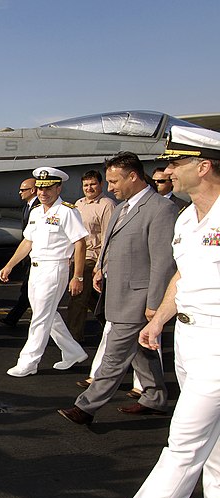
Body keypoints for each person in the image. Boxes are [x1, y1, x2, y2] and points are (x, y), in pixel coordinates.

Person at [99, 126, 220, 498]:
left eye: (175, 163)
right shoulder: (187, 218)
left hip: (219, 343)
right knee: (213, 428)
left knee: (185, 437)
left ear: (202, 167)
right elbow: (183, 275)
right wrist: (160, 320)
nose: (166, 170)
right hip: (189, 336)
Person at [57, 152, 177, 425]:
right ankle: (155, 397)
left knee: (114, 354)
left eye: (113, 181)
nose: (109, 187)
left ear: (133, 176)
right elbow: (109, 242)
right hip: (116, 290)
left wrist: (155, 304)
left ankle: (85, 407)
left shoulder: (161, 209)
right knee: (141, 351)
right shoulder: (122, 207)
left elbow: (162, 261)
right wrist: (100, 268)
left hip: (138, 296)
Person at [0, 167, 88, 377]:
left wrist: (78, 276)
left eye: (48, 188)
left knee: (40, 317)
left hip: (55, 268)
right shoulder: (37, 212)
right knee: (48, 314)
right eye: (39, 188)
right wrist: (9, 264)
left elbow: (80, 244)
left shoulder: (67, 211)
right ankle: (73, 351)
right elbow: (27, 241)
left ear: (59, 188)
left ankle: (28, 362)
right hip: (36, 269)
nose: (43, 193)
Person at [66, 170, 116, 344]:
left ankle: (73, 340)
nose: (89, 188)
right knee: (93, 300)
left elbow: (108, 237)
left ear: (101, 185)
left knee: (77, 298)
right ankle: (112, 326)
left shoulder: (106, 205)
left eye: (93, 184)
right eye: (86, 185)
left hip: (92, 258)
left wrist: (100, 265)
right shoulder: (78, 204)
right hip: (76, 257)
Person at [1, 178, 37, 327]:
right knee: (28, 289)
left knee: (29, 290)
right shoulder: (28, 207)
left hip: (37, 256)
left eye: (23, 189)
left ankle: (13, 318)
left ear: (32, 190)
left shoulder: (38, 208)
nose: (20, 192)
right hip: (28, 254)